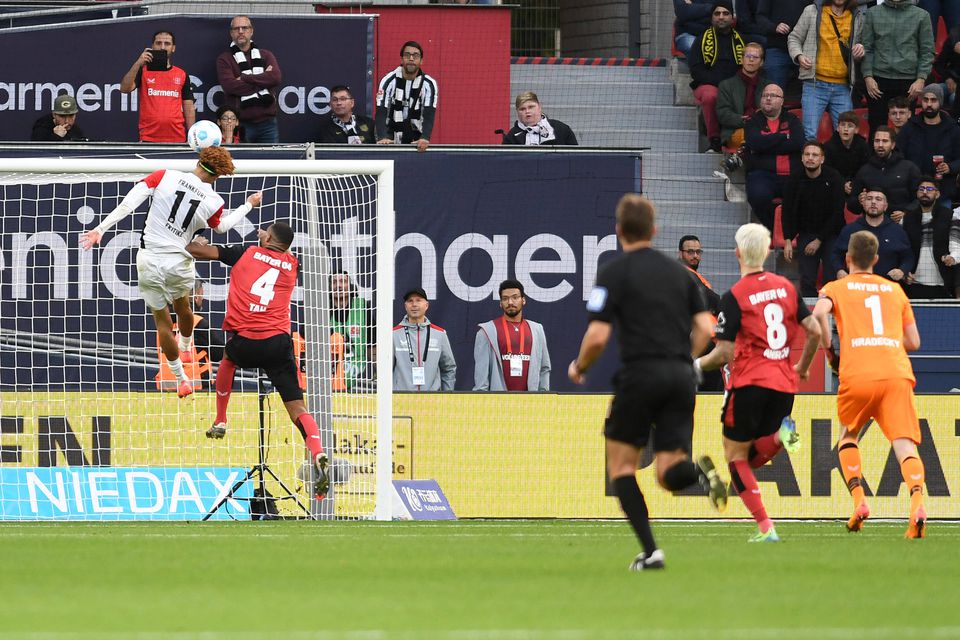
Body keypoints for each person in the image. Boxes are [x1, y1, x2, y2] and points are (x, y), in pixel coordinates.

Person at [568, 194, 727, 570]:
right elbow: (706, 327)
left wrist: (580, 366)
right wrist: (685, 359)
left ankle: (652, 552)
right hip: (680, 378)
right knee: (669, 474)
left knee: (621, 468)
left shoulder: (613, 272)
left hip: (640, 375)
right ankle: (699, 472)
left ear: (619, 231)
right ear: (654, 231)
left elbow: (596, 337)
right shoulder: (681, 275)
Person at [79, 147, 261, 397]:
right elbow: (222, 228)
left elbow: (129, 203)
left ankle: (180, 378)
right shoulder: (214, 201)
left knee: (162, 322)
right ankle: (186, 344)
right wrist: (248, 205)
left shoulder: (164, 175)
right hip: (178, 261)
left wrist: (100, 229)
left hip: (149, 259)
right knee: (184, 308)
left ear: (199, 160)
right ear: (219, 176)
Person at [696, 223, 821, 542]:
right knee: (751, 458)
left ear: (737, 253)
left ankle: (766, 527)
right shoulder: (787, 287)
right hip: (784, 384)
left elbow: (723, 354)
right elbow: (816, 331)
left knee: (735, 456)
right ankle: (781, 437)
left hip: (750, 382)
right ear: (767, 252)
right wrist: (803, 368)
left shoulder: (735, 296)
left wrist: (693, 366)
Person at [185, 223, 329, 499]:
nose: (260, 233)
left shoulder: (245, 253)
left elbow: (194, 251)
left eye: (264, 231)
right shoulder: (292, 264)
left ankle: (221, 419)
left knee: (227, 360)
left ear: (271, 238)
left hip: (246, 340)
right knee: (298, 408)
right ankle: (318, 452)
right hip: (278, 343)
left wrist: (195, 241)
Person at [813, 230, 928, 538]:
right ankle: (917, 504)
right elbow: (914, 342)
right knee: (905, 445)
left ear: (847, 258)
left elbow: (817, 314)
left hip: (858, 373)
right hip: (895, 373)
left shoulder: (836, 287)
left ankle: (860, 502)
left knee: (848, 436)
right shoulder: (894, 290)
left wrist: (829, 350)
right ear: (876, 260)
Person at [787, 0, 866, 142]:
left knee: (847, 137)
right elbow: (794, 38)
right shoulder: (812, 11)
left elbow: (860, 47)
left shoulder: (857, 16)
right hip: (814, 84)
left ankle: (837, 165)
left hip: (843, 86)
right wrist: (799, 56)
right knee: (809, 135)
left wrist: (861, 50)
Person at [859, 0, 935, 137]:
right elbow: (867, 48)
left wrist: (921, 79)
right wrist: (868, 76)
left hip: (908, 81)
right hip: (877, 80)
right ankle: (875, 159)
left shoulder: (922, 15)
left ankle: (906, 159)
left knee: (907, 130)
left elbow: (927, 51)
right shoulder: (873, 13)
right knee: (877, 129)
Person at [782, 141, 846, 296]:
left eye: (815, 155)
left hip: (832, 233)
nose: (810, 158)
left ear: (822, 159)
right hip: (806, 233)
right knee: (807, 279)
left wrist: (819, 240)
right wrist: (788, 240)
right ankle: (810, 316)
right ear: (802, 158)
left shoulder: (834, 177)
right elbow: (787, 211)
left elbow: (837, 213)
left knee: (831, 278)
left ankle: (832, 315)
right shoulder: (794, 179)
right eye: (807, 154)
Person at [687, 1, 746, 153]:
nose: (721, 17)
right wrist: (722, 84)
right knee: (710, 95)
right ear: (712, 18)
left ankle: (740, 140)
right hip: (707, 84)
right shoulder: (701, 39)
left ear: (732, 17)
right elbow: (696, 71)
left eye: (725, 13)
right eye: (717, 13)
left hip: (735, 85)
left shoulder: (742, 40)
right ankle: (714, 140)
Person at [743, 83, 804, 229]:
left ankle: (794, 230)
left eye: (773, 96)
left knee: (806, 196)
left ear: (782, 101)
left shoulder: (792, 120)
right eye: (765, 95)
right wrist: (783, 137)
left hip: (792, 174)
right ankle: (775, 229)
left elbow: (797, 143)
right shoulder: (753, 122)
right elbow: (754, 143)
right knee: (758, 195)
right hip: (763, 175)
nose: (768, 99)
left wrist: (766, 144)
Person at [473, 279, 551, 392]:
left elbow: (544, 368)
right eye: (505, 298)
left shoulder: (537, 329)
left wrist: (543, 396)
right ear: (500, 303)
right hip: (498, 403)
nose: (510, 302)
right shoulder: (487, 331)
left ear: (523, 300)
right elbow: (481, 375)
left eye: (515, 297)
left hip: (531, 402)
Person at [120, 30, 196, 143]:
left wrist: (192, 137)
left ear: (173, 48)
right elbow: (124, 89)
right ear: (152, 46)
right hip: (148, 137)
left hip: (177, 137)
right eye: (158, 43)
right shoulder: (143, 71)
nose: (162, 47)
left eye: (167, 44)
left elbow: (189, 108)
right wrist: (138, 63)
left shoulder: (182, 74)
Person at [216, 15, 282, 144]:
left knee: (270, 162)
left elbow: (275, 78)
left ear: (251, 31)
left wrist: (245, 78)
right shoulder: (224, 59)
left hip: (268, 124)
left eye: (244, 28)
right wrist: (263, 81)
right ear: (231, 33)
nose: (241, 31)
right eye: (236, 28)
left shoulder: (266, 55)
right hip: (241, 124)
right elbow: (231, 86)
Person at [893, 84, 960, 210]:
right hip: (913, 193)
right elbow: (897, 155)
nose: (929, 104)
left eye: (933, 100)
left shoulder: (952, 128)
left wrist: (950, 167)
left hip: (942, 192)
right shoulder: (910, 127)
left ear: (940, 102)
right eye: (925, 99)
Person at [832, 186, 914, 282]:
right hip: (856, 287)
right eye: (869, 199)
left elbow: (908, 257)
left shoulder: (897, 231)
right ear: (863, 203)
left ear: (885, 206)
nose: (873, 202)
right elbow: (836, 254)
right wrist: (839, 270)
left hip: (887, 288)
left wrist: (902, 270)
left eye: (878, 199)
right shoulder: (850, 230)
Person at [678, 235, 723, 391]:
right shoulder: (684, 274)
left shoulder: (693, 275)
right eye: (690, 252)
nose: (695, 256)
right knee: (712, 386)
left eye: (698, 252)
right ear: (680, 253)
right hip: (694, 338)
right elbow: (712, 299)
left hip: (698, 337)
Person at [376, 41, 439, 152]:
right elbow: (381, 110)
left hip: (416, 139)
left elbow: (429, 113)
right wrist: (382, 137)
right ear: (401, 59)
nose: (411, 58)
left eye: (415, 55)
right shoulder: (388, 80)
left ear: (421, 61)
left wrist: (425, 138)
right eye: (407, 55)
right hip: (390, 138)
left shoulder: (429, 84)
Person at [903, 177, 960, 298]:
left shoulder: (950, 216)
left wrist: (953, 257)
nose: (925, 192)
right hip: (914, 282)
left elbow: (956, 244)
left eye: (929, 189)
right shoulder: (906, 219)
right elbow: (903, 250)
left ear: (937, 194)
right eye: (921, 189)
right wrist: (904, 271)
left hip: (943, 283)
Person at [847, 127, 921, 218]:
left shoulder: (909, 168)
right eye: (877, 141)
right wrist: (859, 201)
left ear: (893, 145)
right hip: (872, 225)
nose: (880, 145)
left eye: (885, 141)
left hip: (901, 223)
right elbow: (852, 205)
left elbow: (920, 198)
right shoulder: (864, 170)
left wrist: (907, 213)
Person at [392, 287, 456, 391]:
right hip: (401, 400)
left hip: (432, 400)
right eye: (410, 301)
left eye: (418, 300)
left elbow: (449, 368)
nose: (414, 304)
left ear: (426, 305)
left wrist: (447, 396)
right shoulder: (394, 334)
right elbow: (386, 370)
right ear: (405, 306)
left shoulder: (440, 334)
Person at [716, 41, 767, 154]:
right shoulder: (726, 85)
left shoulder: (768, 86)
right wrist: (745, 120)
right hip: (736, 130)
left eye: (755, 57)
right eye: (748, 56)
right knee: (755, 139)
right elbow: (723, 114)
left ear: (762, 62)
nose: (751, 60)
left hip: (763, 129)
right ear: (741, 60)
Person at [330, 271, 374, 391]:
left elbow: (373, 343)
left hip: (359, 377)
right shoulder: (321, 309)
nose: (338, 285)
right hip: (329, 378)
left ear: (350, 286)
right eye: (334, 282)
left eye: (343, 281)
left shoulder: (362, 306)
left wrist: (376, 372)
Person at [753, 0, 810, 92]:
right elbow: (760, 17)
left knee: (810, 93)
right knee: (773, 93)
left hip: (804, 50)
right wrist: (774, 27)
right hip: (777, 48)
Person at [502, 91, 579, 145]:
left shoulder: (561, 129)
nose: (527, 111)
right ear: (517, 112)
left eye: (531, 107)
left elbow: (575, 158)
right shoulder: (511, 137)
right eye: (522, 109)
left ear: (539, 107)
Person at [823, 110, 869, 196]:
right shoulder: (828, 147)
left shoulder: (863, 145)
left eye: (850, 126)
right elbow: (828, 171)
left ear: (856, 130)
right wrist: (842, 183)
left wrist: (854, 184)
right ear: (837, 128)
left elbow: (865, 169)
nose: (846, 129)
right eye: (843, 125)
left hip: (857, 185)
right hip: (834, 186)